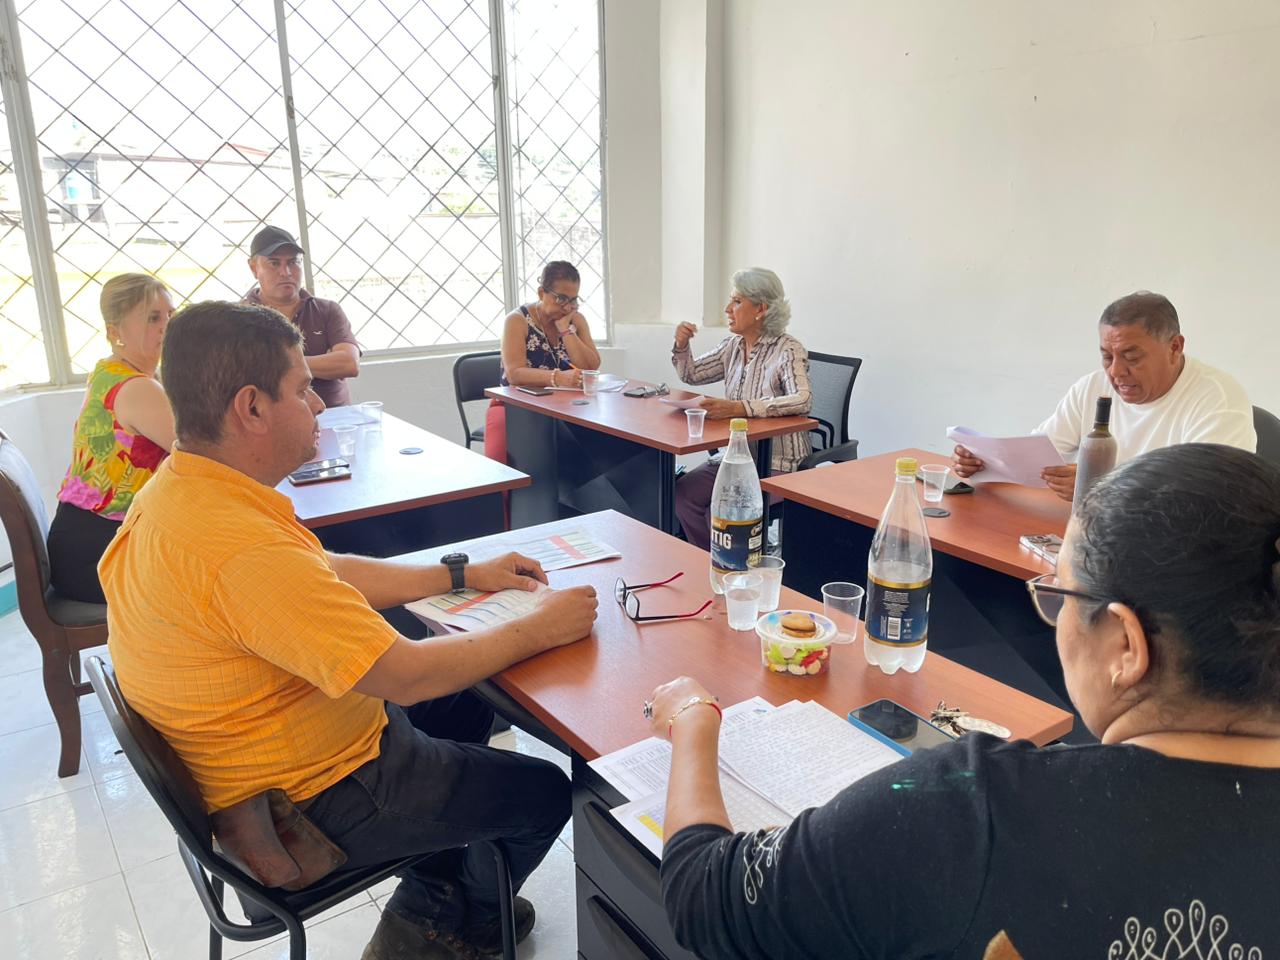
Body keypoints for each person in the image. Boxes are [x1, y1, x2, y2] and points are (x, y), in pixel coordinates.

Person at [99, 302, 599, 960]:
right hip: (306, 806)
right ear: (251, 408)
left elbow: (322, 569)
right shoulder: (239, 550)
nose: (318, 405)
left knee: (473, 696)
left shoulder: (186, 488)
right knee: (543, 791)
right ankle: (443, 924)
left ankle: (443, 884)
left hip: (276, 760)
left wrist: (460, 572)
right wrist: (540, 625)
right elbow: (406, 676)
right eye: (302, 389)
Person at [649, 442, 1280, 958]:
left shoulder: (973, 811)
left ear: (1124, 645)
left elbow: (704, 894)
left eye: (1059, 593)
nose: (1055, 616)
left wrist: (694, 720)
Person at [953, 291, 1256, 500]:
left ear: (1174, 347)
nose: (1116, 372)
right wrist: (985, 462)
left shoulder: (1218, 400)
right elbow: (1038, 456)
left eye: (1132, 357)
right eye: (1107, 356)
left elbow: (1206, 498)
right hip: (1097, 534)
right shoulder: (1092, 387)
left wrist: (1101, 485)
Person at [46, 273, 175, 604]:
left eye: (170, 315)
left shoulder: (108, 370)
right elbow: (204, 455)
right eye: (153, 318)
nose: (166, 326)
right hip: (96, 555)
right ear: (115, 332)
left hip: (79, 541)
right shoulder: (138, 387)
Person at [670, 267, 812, 549]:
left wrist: (741, 408)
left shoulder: (788, 350)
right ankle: (708, 560)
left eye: (736, 302)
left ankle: (734, 567)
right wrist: (681, 345)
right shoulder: (732, 346)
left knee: (721, 510)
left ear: (761, 309)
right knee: (682, 494)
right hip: (735, 458)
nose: (727, 309)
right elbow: (692, 374)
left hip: (778, 464)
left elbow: (802, 399)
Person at [484, 260, 602, 463]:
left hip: (565, 407)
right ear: (541, 293)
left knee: (597, 449)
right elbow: (514, 374)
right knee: (504, 464)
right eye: (561, 298)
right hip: (516, 408)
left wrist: (566, 331)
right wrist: (558, 378)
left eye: (573, 300)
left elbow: (591, 367)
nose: (567, 307)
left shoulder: (575, 320)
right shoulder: (517, 320)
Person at [243, 225, 360, 407]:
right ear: (253, 268)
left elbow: (349, 364)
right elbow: (241, 372)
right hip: (271, 420)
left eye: (293, 262)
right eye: (274, 263)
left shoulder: (327, 310)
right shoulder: (239, 318)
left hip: (333, 415)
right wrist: (320, 363)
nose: (286, 272)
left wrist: (278, 364)